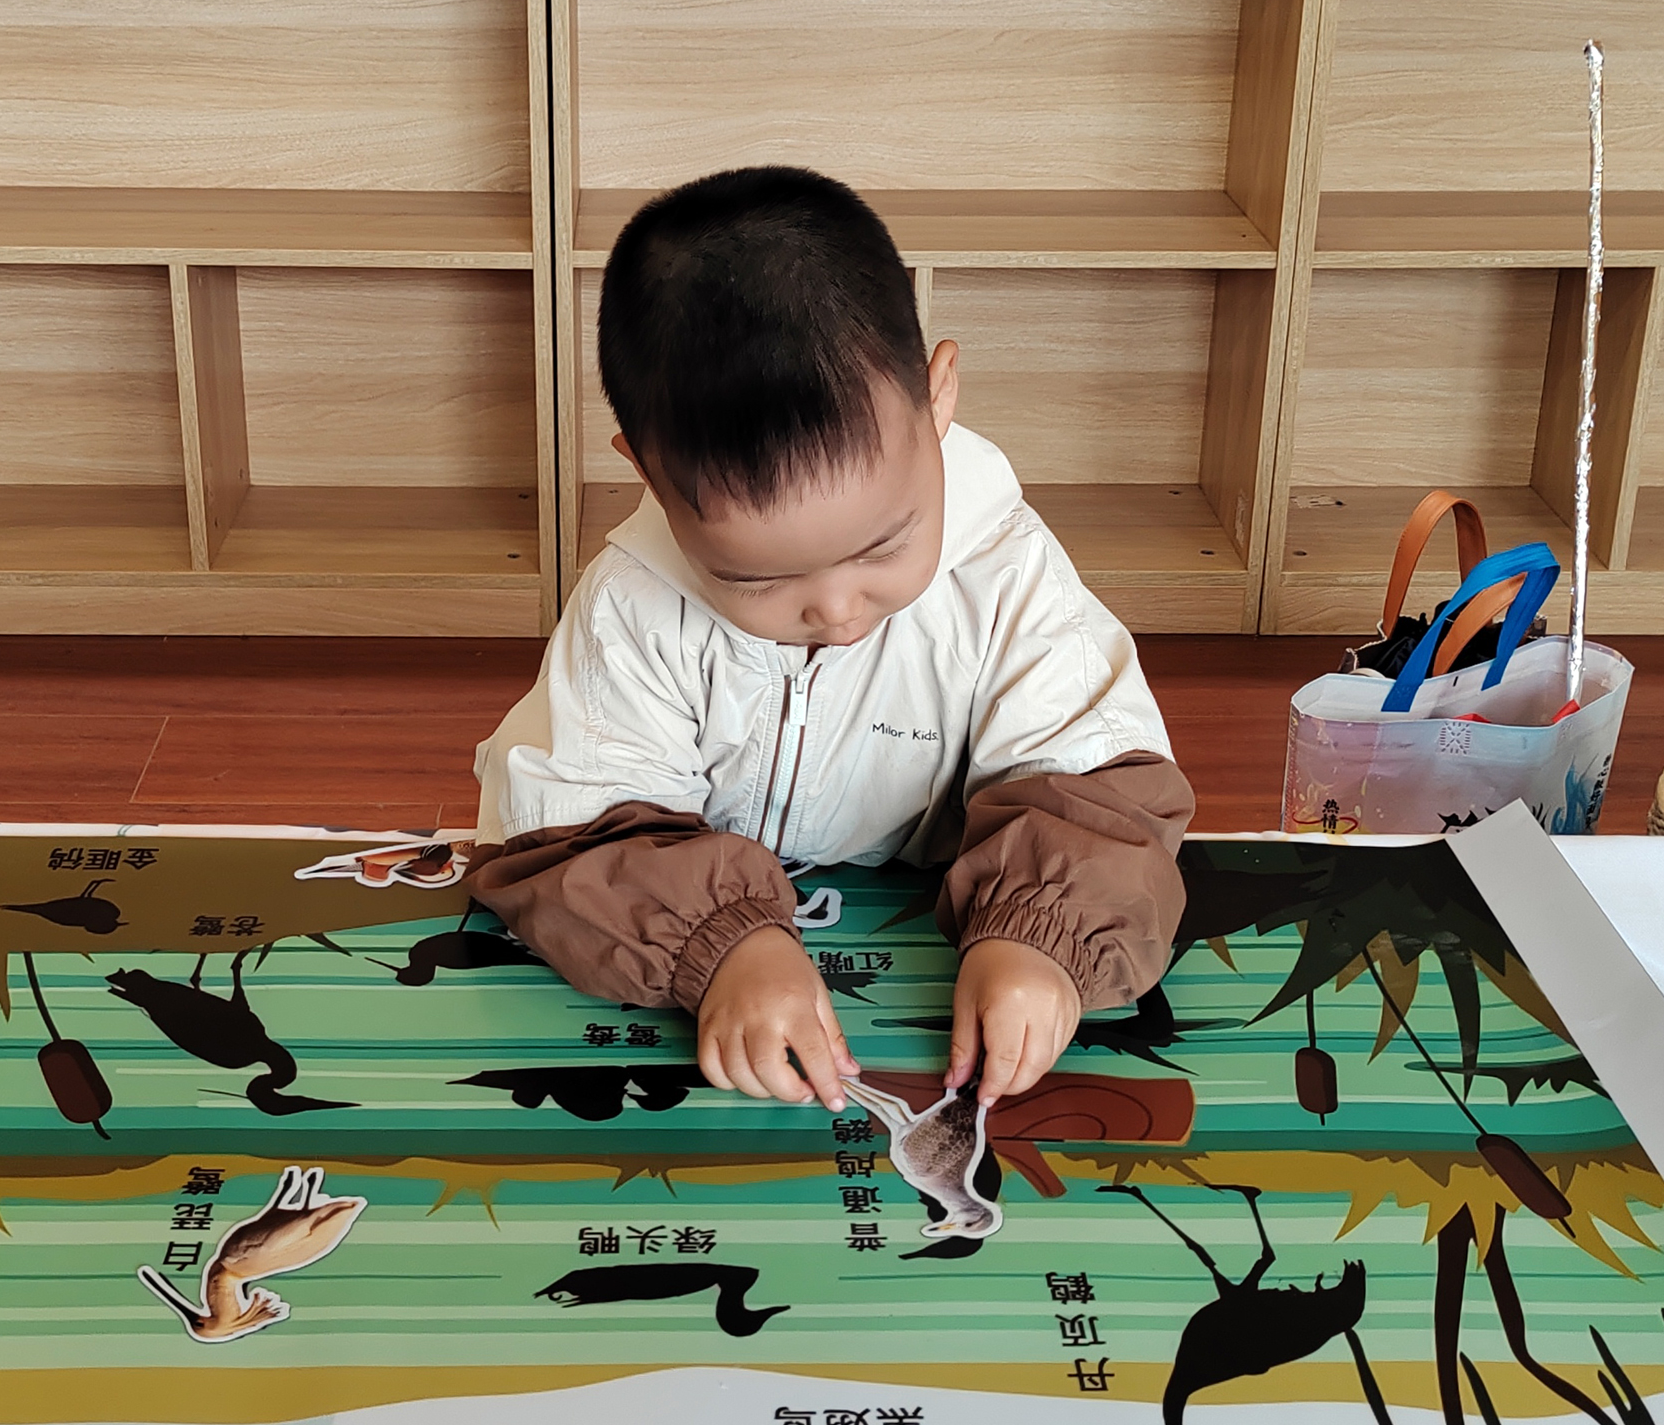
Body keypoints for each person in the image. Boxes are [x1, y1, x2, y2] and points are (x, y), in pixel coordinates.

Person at [472, 165, 1191, 1115]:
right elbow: (572, 828)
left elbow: (1100, 792)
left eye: (883, 546)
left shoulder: (1008, 574)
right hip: (722, 918)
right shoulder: (633, 605)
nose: (839, 611)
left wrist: (1040, 935)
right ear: (646, 471)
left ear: (937, 396)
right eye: (758, 580)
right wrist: (722, 944)